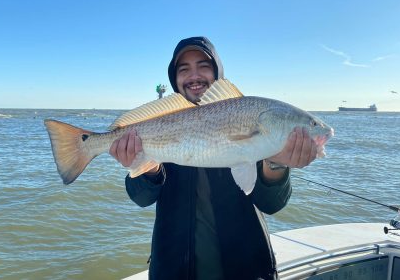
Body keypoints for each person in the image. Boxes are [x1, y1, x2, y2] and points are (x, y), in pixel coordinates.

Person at [109, 37, 318, 280]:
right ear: (174, 80)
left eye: (204, 66)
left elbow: (272, 204)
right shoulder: (157, 128)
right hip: (173, 271)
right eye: (184, 69)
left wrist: (276, 162)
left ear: (218, 72)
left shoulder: (249, 120)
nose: (194, 76)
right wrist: (147, 168)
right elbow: (141, 198)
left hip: (247, 270)